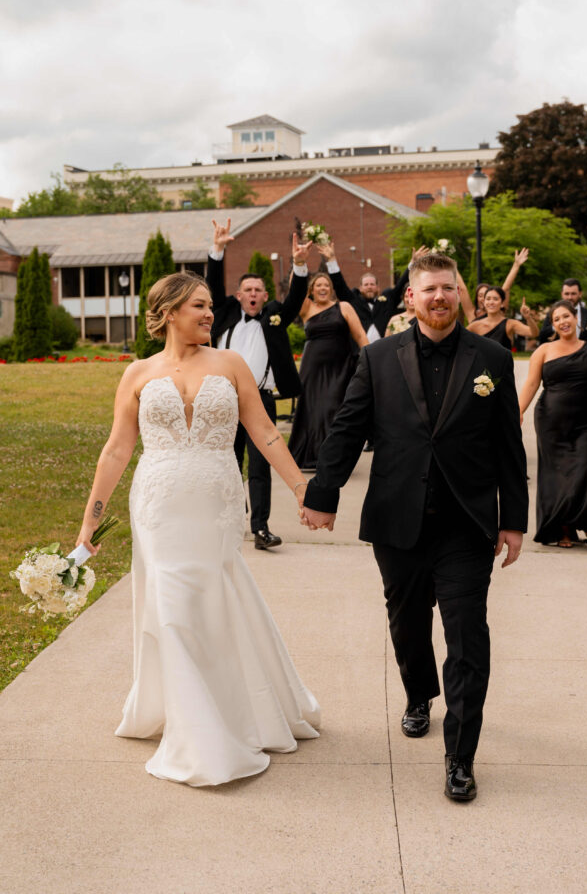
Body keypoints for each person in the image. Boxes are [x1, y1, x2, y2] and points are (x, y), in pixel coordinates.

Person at [76, 272, 320, 786]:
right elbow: (118, 449)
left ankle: (231, 706)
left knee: (211, 600)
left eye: (211, 307)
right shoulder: (138, 373)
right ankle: (196, 729)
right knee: (174, 607)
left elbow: (264, 433)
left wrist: (302, 488)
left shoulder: (230, 365)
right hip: (160, 505)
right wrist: (88, 523)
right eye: (199, 307)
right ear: (168, 312)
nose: (210, 314)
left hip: (214, 501)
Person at [301, 252, 528, 802]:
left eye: (448, 289)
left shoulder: (492, 357)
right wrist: (323, 494)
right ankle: (419, 694)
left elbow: (508, 446)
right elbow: (349, 427)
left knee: (468, 637)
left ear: (458, 294)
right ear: (410, 297)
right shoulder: (377, 357)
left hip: (467, 525)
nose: (439, 298)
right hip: (397, 519)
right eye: (429, 290)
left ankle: (460, 758)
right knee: (406, 623)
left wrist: (514, 520)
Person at [206, 218, 312, 550]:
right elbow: (210, 285)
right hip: (223, 400)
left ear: (265, 296)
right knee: (228, 463)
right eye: (247, 290)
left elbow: (296, 296)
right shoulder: (223, 313)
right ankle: (230, 521)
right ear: (238, 295)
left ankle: (260, 527)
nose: (253, 294)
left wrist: (299, 264)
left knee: (261, 466)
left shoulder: (275, 316)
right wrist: (218, 250)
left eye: (258, 291)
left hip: (261, 400)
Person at [518, 299, 587, 548]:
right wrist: (518, 411)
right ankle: (564, 530)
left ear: (575, 318)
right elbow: (531, 385)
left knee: (586, 469)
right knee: (556, 475)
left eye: (565, 316)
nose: (562, 322)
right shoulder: (543, 351)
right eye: (556, 319)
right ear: (554, 325)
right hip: (551, 422)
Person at [288, 272, 368, 470]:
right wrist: (298, 264)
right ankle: (310, 457)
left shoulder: (344, 307)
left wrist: (371, 362)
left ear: (331, 289)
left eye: (326, 285)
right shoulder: (307, 308)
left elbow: (360, 336)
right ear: (312, 290)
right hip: (312, 368)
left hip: (340, 368)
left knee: (333, 408)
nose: (322, 288)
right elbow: (294, 290)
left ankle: (333, 457)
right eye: (318, 285)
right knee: (312, 410)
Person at [317, 241, 428, 342]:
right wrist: (332, 260)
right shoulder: (352, 300)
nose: (369, 287)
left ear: (378, 287)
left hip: (384, 351)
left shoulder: (388, 299)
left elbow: (401, 284)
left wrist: (413, 263)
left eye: (372, 284)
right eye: (366, 284)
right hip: (358, 354)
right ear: (360, 288)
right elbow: (339, 285)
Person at [537, 278, 587, 361]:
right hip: (558, 360)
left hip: (586, 361)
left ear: (580, 294)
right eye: (567, 294)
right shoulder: (552, 314)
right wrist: (557, 325)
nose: (570, 297)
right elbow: (542, 337)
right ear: (562, 294)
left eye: (573, 294)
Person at [467, 286, 539, 349]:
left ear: (502, 303)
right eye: (488, 299)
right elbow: (460, 339)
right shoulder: (475, 325)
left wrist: (528, 317)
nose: (491, 302)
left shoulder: (510, 324)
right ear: (484, 302)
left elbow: (534, 333)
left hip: (504, 364)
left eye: (495, 299)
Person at [469, 248, 530, 321]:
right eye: (480, 295)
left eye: (486, 296)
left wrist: (516, 265)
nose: (483, 298)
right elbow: (462, 290)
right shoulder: (472, 314)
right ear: (476, 298)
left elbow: (506, 288)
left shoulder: (499, 312)